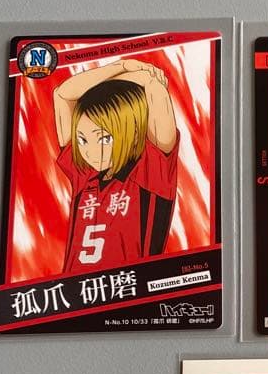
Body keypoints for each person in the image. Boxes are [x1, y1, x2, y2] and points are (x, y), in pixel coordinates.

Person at [53, 57, 179, 273]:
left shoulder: (149, 171)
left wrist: (140, 77)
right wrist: (121, 66)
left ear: (133, 132)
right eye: (82, 139)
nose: (90, 151)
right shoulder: (85, 174)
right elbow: (62, 94)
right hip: (76, 290)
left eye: (104, 138)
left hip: (129, 289)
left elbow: (152, 85)